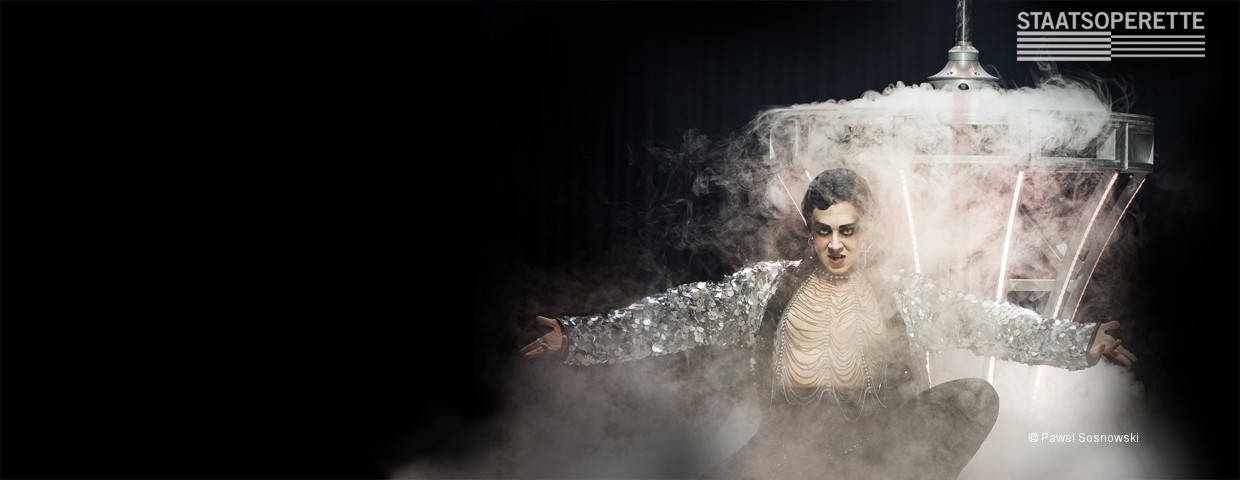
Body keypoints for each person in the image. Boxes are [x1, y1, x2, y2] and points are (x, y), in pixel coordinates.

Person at [519, 167, 1136, 479]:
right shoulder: (766, 288)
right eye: (824, 231)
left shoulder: (902, 294)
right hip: (787, 452)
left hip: (880, 454)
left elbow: (987, 323)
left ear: (866, 229)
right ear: (809, 231)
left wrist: (1080, 341)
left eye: (848, 230)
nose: (835, 244)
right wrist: (578, 337)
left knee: (974, 397)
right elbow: (677, 315)